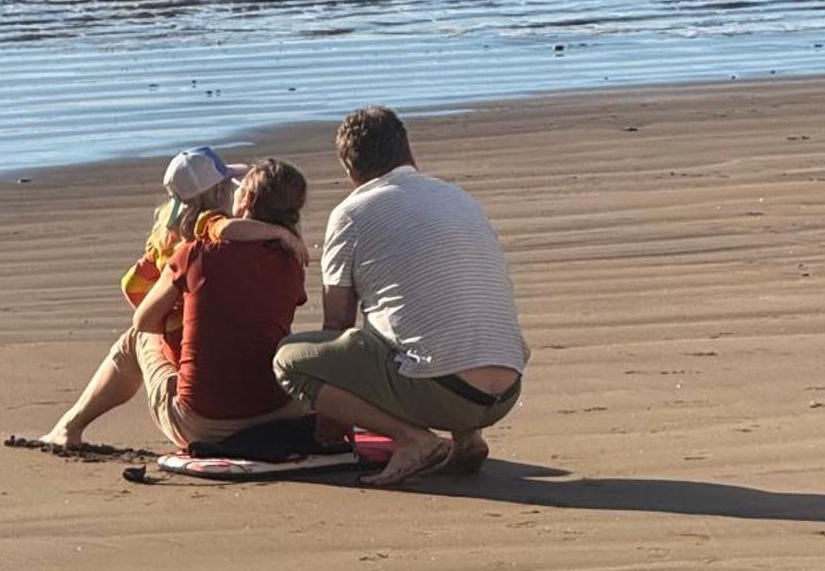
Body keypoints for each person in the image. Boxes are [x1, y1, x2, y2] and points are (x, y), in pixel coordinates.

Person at [273, 106, 528, 488]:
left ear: (350, 171)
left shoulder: (351, 214)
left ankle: (414, 440)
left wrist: (329, 424)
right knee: (422, 311)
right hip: (507, 389)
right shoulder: (458, 197)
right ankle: (467, 437)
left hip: (443, 391)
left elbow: (337, 323)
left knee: (289, 360)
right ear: (408, 152)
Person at [41, 149, 307, 451]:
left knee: (137, 337)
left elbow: (143, 321)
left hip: (200, 423)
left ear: (244, 201)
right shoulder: (293, 261)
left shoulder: (195, 251)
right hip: (272, 413)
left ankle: (69, 427)